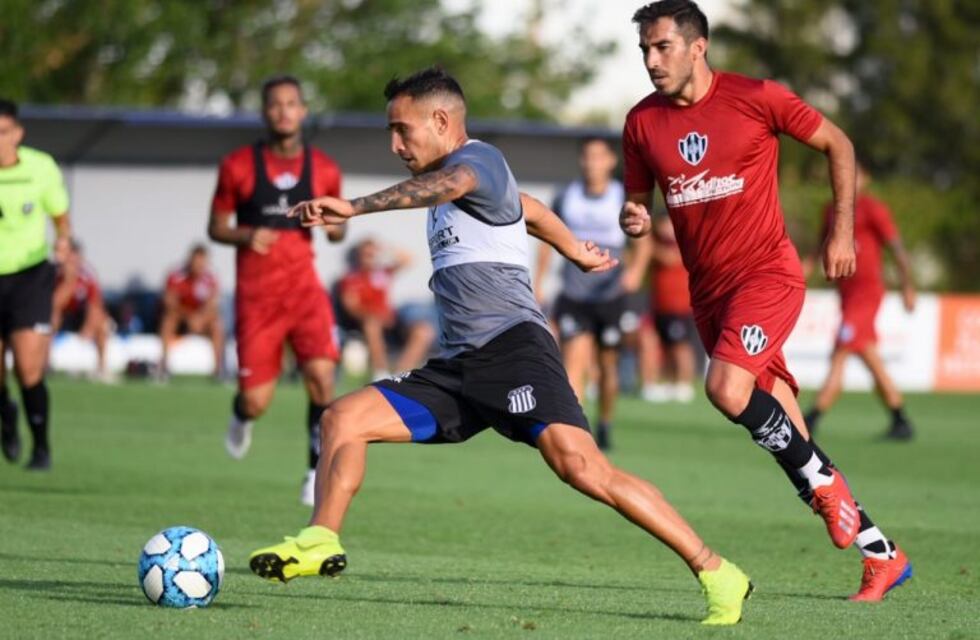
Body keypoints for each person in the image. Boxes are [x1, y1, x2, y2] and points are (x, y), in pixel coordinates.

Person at [248, 67, 753, 627]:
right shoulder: (465, 180)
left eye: (402, 130)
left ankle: (716, 571)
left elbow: (451, 184)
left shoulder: (477, 161)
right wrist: (573, 249)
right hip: (459, 365)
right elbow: (529, 207)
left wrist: (357, 206)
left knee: (584, 468)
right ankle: (321, 538)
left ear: (442, 121)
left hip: (515, 351)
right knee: (342, 418)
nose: (394, 144)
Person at [619, 1, 910, 602]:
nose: (650, 60)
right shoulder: (641, 123)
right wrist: (636, 214)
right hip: (709, 296)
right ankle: (883, 555)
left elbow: (839, 144)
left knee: (726, 390)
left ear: (698, 47)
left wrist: (841, 231)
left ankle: (828, 490)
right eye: (645, 49)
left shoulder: (756, 96)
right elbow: (638, 198)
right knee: (789, 438)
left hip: (767, 276)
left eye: (662, 47)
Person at [207, 75, 346, 506]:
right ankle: (240, 415)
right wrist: (246, 236)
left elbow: (339, 232)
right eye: (275, 104)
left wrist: (332, 222)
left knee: (322, 381)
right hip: (257, 298)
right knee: (256, 402)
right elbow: (216, 227)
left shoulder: (323, 167)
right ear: (265, 112)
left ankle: (312, 471)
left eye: (292, 103)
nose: (284, 111)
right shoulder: (237, 166)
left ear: (303, 111)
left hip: (304, 292)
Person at [533, 138, 649, 450]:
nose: (591, 163)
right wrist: (539, 280)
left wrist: (636, 270)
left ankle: (605, 423)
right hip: (574, 292)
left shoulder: (621, 196)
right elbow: (546, 236)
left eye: (598, 157)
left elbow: (642, 237)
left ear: (610, 161)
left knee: (608, 366)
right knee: (574, 360)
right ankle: (576, 431)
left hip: (610, 295)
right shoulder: (567, 196)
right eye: (586, 156)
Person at [804, 162, 916, 440]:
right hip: (847, 296)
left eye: (855, 175)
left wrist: (907, 286)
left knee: (841, 352)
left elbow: (898, 250)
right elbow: (820, 249)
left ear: (865, 179)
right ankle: (900, 419)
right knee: (869, 356)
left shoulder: (873, 209)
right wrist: (800, 272)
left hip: (867, 294)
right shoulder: (830, 211)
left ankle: (811, 418)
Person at [0, 98, 71, 470]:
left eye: (3, 133)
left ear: (18, 133)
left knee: (28, 369)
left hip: (29, 276)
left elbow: (61, 217)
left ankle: (41, 447)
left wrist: (63, 240)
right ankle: (6, 415)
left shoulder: (41, 168)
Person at [337, 238, 434, 379]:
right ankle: (380, 373)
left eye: (372, 253)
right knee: (372, 324)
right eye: (366, 254)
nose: (370, 257)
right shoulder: (351, 278)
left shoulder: (382, 272)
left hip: (391, 321)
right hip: (370, 323)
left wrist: (386, 249)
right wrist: (373, 316)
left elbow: (408, 259)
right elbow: (350, 307)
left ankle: (400, 374)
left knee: (423, 331)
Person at [642, 215, 696, 403]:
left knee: (679, 347)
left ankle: (683, 384)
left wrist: (647, 246)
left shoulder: (684, 241)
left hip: (679, 306)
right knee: (653, 342)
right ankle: (658, 383)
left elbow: (670, 259)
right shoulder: (656, 242)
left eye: (668, 224)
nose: (665, 228)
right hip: (659, 305)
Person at [159, 244, 225, 380]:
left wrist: (200, 318)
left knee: (217, 325)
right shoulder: (176, 276)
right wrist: (189, 317)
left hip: (201, 321)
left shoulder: (210, 279)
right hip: (181, 319)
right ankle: (164, 365)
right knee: (168, 320)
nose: (199, 266)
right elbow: (169, 302)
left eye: (202, 262)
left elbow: (212, 305)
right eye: (196, 262)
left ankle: (219, 369)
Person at [52, 238, 113, 382]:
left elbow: (96, 303)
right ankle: (45, 363)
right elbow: (54, 304)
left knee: (102, 323)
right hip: (61, 315)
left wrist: (89, 326)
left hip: (81, 316)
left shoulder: (88, 275)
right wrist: (69, 282)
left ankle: (101, 368)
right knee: (51, 316)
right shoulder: (54, 274)